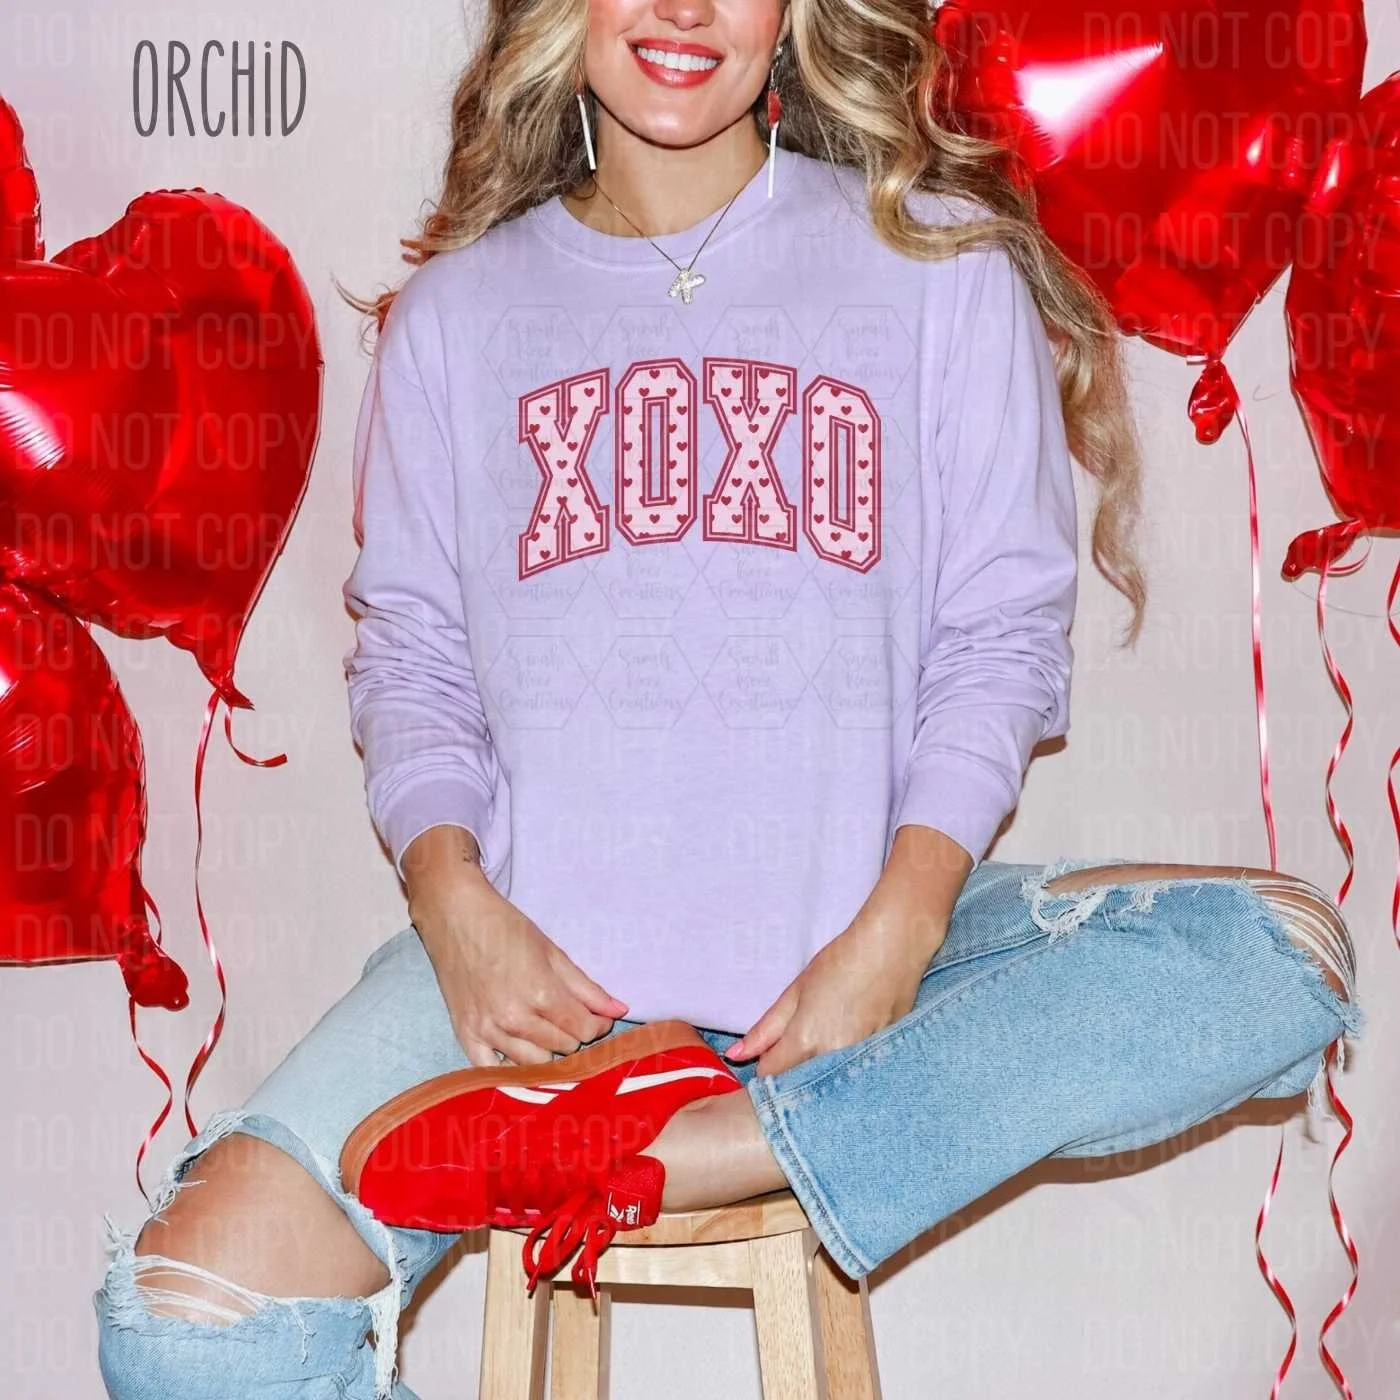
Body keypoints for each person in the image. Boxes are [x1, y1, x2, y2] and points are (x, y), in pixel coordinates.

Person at [93, 1, 1364, 1396]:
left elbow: (999, 636)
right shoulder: (459, 314)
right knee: (181, 1328)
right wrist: (454, 906)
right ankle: (666, 1123)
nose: (688, 9)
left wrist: (899, 930)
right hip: (538, 1009)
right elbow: (412, 654)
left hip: (864, 972)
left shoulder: (938, 265)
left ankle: (693, 1144)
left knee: (1275, 959)